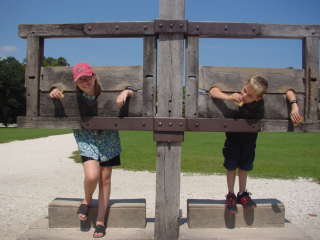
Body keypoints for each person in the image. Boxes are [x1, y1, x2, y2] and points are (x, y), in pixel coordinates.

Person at [49, 63, 134, 238]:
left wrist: (127, 91)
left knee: (105, 179)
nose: (85, 82)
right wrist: (54, 91)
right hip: (85, 134)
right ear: (75, 83)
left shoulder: (105, 90)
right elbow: (55, 89)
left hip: (108, 136)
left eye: (87, 78)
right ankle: (87, 199)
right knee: (92, 175)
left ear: (94, 76)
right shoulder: (73, 94)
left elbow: (132, 88)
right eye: (80, 80)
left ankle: (101, 221)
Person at [208, 75, 303, 214]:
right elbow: (212, 91)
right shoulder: (235, 98)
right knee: (231, 167)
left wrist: (294, 105)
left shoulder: (260, 105)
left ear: (257, 98)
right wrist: (228, 97)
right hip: (232, 141)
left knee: (244, 167)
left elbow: (289, 91)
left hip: (249, 142)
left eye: (249, 95)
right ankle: (231, 194)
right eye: (244, 90)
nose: (244, 95)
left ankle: (242, 193)